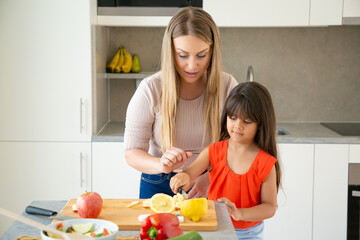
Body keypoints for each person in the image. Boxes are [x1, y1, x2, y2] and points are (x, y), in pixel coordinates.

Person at [124, 7, 238, 199]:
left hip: (210, 181)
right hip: (158, 183)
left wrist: (210, 178)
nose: (192, 65)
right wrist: (160, 164)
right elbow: (131, 152)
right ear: (170, 51)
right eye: (182, 55)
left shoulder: (227, 86)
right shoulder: (150, 89)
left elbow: (241, 146)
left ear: (213, 51)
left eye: (202, 55)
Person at [170, 82, 282, 239]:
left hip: (249, 234)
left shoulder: (265, 163)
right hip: (215, 227)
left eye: (246, 121)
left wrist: (239, 213)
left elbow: (269, 207)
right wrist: (183, 176)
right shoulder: (214, 151)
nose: (237, 126)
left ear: (261, 124)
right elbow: (191, 171)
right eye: (233, 118)